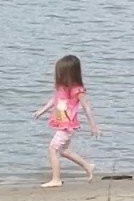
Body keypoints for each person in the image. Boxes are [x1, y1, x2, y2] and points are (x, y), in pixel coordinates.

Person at [33, 54, 100, 188]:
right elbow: (55, 100)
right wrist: (42, 110)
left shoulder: (77, 89)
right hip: (61, 123)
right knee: (63, 150)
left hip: (67, 126)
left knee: (53, 148)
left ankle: (56, 179)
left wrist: (93, 125)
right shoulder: (62, 87)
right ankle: (88, 166)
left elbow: (86, 106)